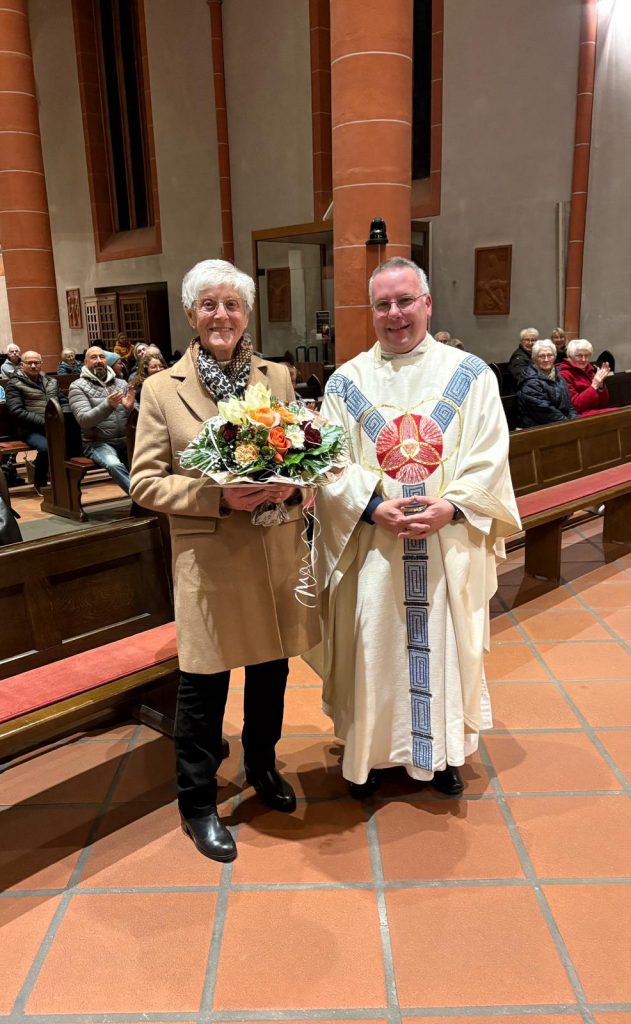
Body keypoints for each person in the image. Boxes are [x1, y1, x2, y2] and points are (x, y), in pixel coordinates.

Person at [130, 259, 319, 862]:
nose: (222, 316)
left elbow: (304, 456)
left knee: (271, 673)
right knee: (204, 685)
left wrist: (296, 485)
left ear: (247, 313)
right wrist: (217, 497)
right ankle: (197, 803)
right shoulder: (163, 389)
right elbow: (144, 482)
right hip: (209, 559)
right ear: (191, 315)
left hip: (271, 551)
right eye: (209, 304)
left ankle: (262, 765)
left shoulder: (276, 376)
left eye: (232, 304)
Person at [311, 257, 520, 799]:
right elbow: (328, 463)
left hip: (446, 545)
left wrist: (451, 507)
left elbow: (490, 454)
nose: (394, 314)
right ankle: (371, 758)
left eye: (405, 301)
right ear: (371, 311)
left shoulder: (470, 376)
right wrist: (369, 506)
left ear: (427, 303)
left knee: (444, 648)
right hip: (375, 549)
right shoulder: (346, 383)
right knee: (374, 649)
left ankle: (442, 753)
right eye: (383, 304)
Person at [68, 346, 136, 493]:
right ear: (85, 362)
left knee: (156, 455)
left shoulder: (121, 383)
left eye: (102, 357)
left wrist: (131, 408)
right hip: (98, 443)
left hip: (127, 440)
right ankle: (142, 498)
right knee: (113, 464)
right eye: (94, 357)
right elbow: (84, 420)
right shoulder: (77, 387)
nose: (99, 360)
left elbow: (140, 414)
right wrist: (108, 405)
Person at [4, 350, 57, 494]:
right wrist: (44, 421)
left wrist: (64, 417)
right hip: (30, 429)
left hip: (53, 426)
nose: (33, 366)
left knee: (72, 442)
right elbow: (17, 411)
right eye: (29, 363)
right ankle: (40, 482)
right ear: (22, 365)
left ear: (41, 364)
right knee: (46, 448)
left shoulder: (51, 381)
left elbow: (63, 402)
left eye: (36, 362)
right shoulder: (14, 384)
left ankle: (61, 480)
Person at [517, 338, 577, 427]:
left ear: (555, 357)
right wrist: (569, 424)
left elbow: (569, 405)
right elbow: (546, 413)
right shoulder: (530, 383)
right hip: (538, 428)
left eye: (550, 355)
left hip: (561, 423)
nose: (546, 359)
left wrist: (575, 419)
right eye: (541, 356)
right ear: (535, 359)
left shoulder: (559, 376)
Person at [558, 339, 613, 415]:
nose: (583, 359)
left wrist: (600, 386)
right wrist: (594, 385)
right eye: (579, 356)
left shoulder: (590, 370)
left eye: (587, 356)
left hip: (596, 412)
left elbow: (603, 404)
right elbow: (576, 406)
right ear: (571, 356)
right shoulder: (564, 374)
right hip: (578, 416)